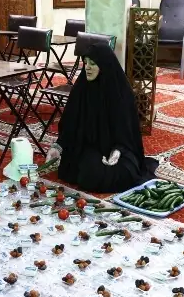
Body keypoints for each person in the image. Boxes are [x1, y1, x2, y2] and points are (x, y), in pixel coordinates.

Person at [46, 43, 158, 193]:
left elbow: (127, 130)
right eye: (85, 63)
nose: (87, 67)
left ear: (104, 65)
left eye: (93, 63)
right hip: (90, 146)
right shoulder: (81, 89)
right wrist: (59, 146)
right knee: (89, 174)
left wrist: (118, 150)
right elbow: (70, 122)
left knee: (125, 171)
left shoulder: (120, 92)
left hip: (118, 148)